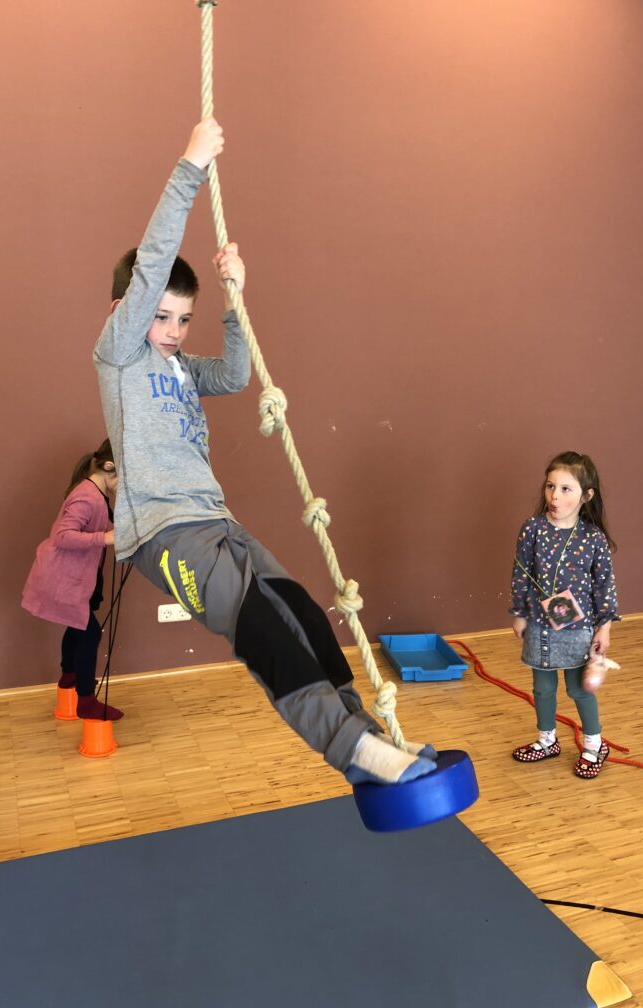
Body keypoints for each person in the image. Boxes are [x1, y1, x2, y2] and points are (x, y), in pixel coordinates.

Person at [93, 117, 436, 784]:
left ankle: (368, 744)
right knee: (262, 631)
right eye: (158, 316)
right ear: (127, 312)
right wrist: (189, 167)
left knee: (303, 613)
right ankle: (355, 750)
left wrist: (232, 300)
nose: (169, 330)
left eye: (180, 318)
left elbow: (236, 374)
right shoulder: (118, 355)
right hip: (162, 532)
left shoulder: (180, 368)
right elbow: (154, 264)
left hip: (215, 521)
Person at [509, 451, 620, 778]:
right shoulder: (532, 529)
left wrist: (605, 627)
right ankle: (546, 740)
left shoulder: (593, 538)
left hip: (577, 630)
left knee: (577, 688)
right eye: (550, 486)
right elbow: (520, 572)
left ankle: (593, 744)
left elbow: (605, 585)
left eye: (565, 489)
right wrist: (519, 613)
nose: (554, 496)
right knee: (542, 688)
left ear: (586, 496)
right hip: (539, 627)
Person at [22, 440, 123, 720]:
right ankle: (86, 702)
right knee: (90, 632)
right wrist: (106, 538)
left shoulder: (97, 494)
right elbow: (63, 536)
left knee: (79, 626)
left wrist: (117, 531)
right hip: (62, 577)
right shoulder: (87, 496)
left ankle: (69, 676)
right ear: (108, 467)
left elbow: (99, 526)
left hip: (78, 577)